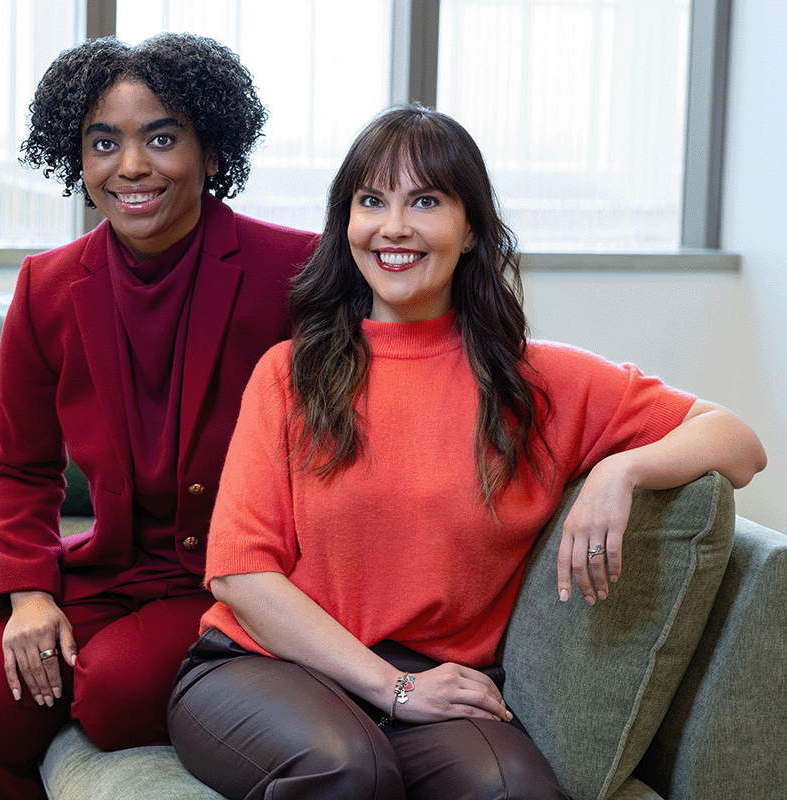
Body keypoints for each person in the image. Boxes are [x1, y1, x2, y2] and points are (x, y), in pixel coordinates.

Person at [166, 105, 766, 800]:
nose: (394, 227)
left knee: (515, 792)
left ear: (471, 227)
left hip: (435, 683)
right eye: (371, 201)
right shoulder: (290, 373)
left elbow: (738, 443)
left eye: (425, 200)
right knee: (350, 770)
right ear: (348, 225)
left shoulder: (535, 382)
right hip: (263, 663)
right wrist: (393, 689)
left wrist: (622, 467)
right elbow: (241, 577)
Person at [0, 32, 316, 800]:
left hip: (237, 577)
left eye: (161, 138)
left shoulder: (295, 271)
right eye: (104, 143)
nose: (131, 166)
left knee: (115, 693)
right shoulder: (47, 288)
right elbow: (22, 465)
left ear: (209, 145)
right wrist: (29, 591)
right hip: (107, 572)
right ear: (78, 159)